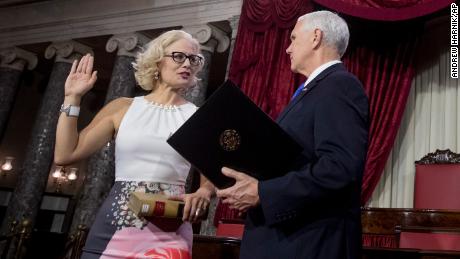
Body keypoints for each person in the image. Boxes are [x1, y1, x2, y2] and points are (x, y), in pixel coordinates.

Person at [216, 11, 369, 259]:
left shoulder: (340, 85)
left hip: (309, 243)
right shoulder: (313, 90)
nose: (287, 48)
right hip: (287, 239)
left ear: (316, 37)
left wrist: (263, 192)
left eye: (294, 38)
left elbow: (339, 168)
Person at [54, 30, 215, 259]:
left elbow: (210, 174)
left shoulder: (199, 117)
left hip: (170, 232)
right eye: (179, 56)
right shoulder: (122, 107)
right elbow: (65, 154)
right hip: (115, 226)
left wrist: (203, 192)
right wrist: (72, 98)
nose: (187, 64)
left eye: (194, 59)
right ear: (157, 61)